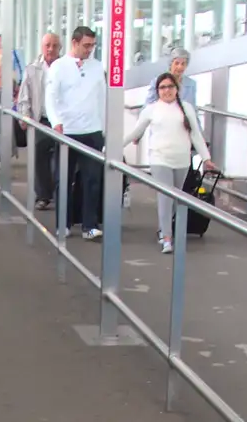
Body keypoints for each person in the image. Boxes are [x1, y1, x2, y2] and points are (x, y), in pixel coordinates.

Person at [125, 72, 216, 254]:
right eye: (162, 87)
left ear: (177, 89)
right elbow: (136, 132)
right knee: (165, 197)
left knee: (176, 198)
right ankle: (167, 237)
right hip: (160, 159)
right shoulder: (151, 109)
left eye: (170, 87)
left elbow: (196, 135)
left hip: (182, 160)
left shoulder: (187, 108)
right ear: (157, 90)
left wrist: (206, 158)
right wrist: (114, 146)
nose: (166, 91)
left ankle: (165, 228)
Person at [46, 25, 106, 240]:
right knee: (64, 179)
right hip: (67, 131)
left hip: (92, 130)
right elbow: (50, 96)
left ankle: (89, 225)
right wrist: (56, 122)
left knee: (92, 180)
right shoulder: (59, 67)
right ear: (74, 43)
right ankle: (64, 223)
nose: (89, 49)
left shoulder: (98, 67)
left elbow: (103, 98)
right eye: (86, 45)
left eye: (92, 46)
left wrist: (104, 129)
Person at [16, 31, 62, 210]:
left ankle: (60, 193)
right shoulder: (32, 68)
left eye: (55, 45)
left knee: (61, 157)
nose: (51, 49)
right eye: (47, 45)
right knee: (38, 155)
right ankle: (43, 194)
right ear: (42, 47)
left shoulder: (65, 67)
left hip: (60, 120)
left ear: (60, 48)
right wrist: (24, 115)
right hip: (40, 119)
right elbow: (24, 96)